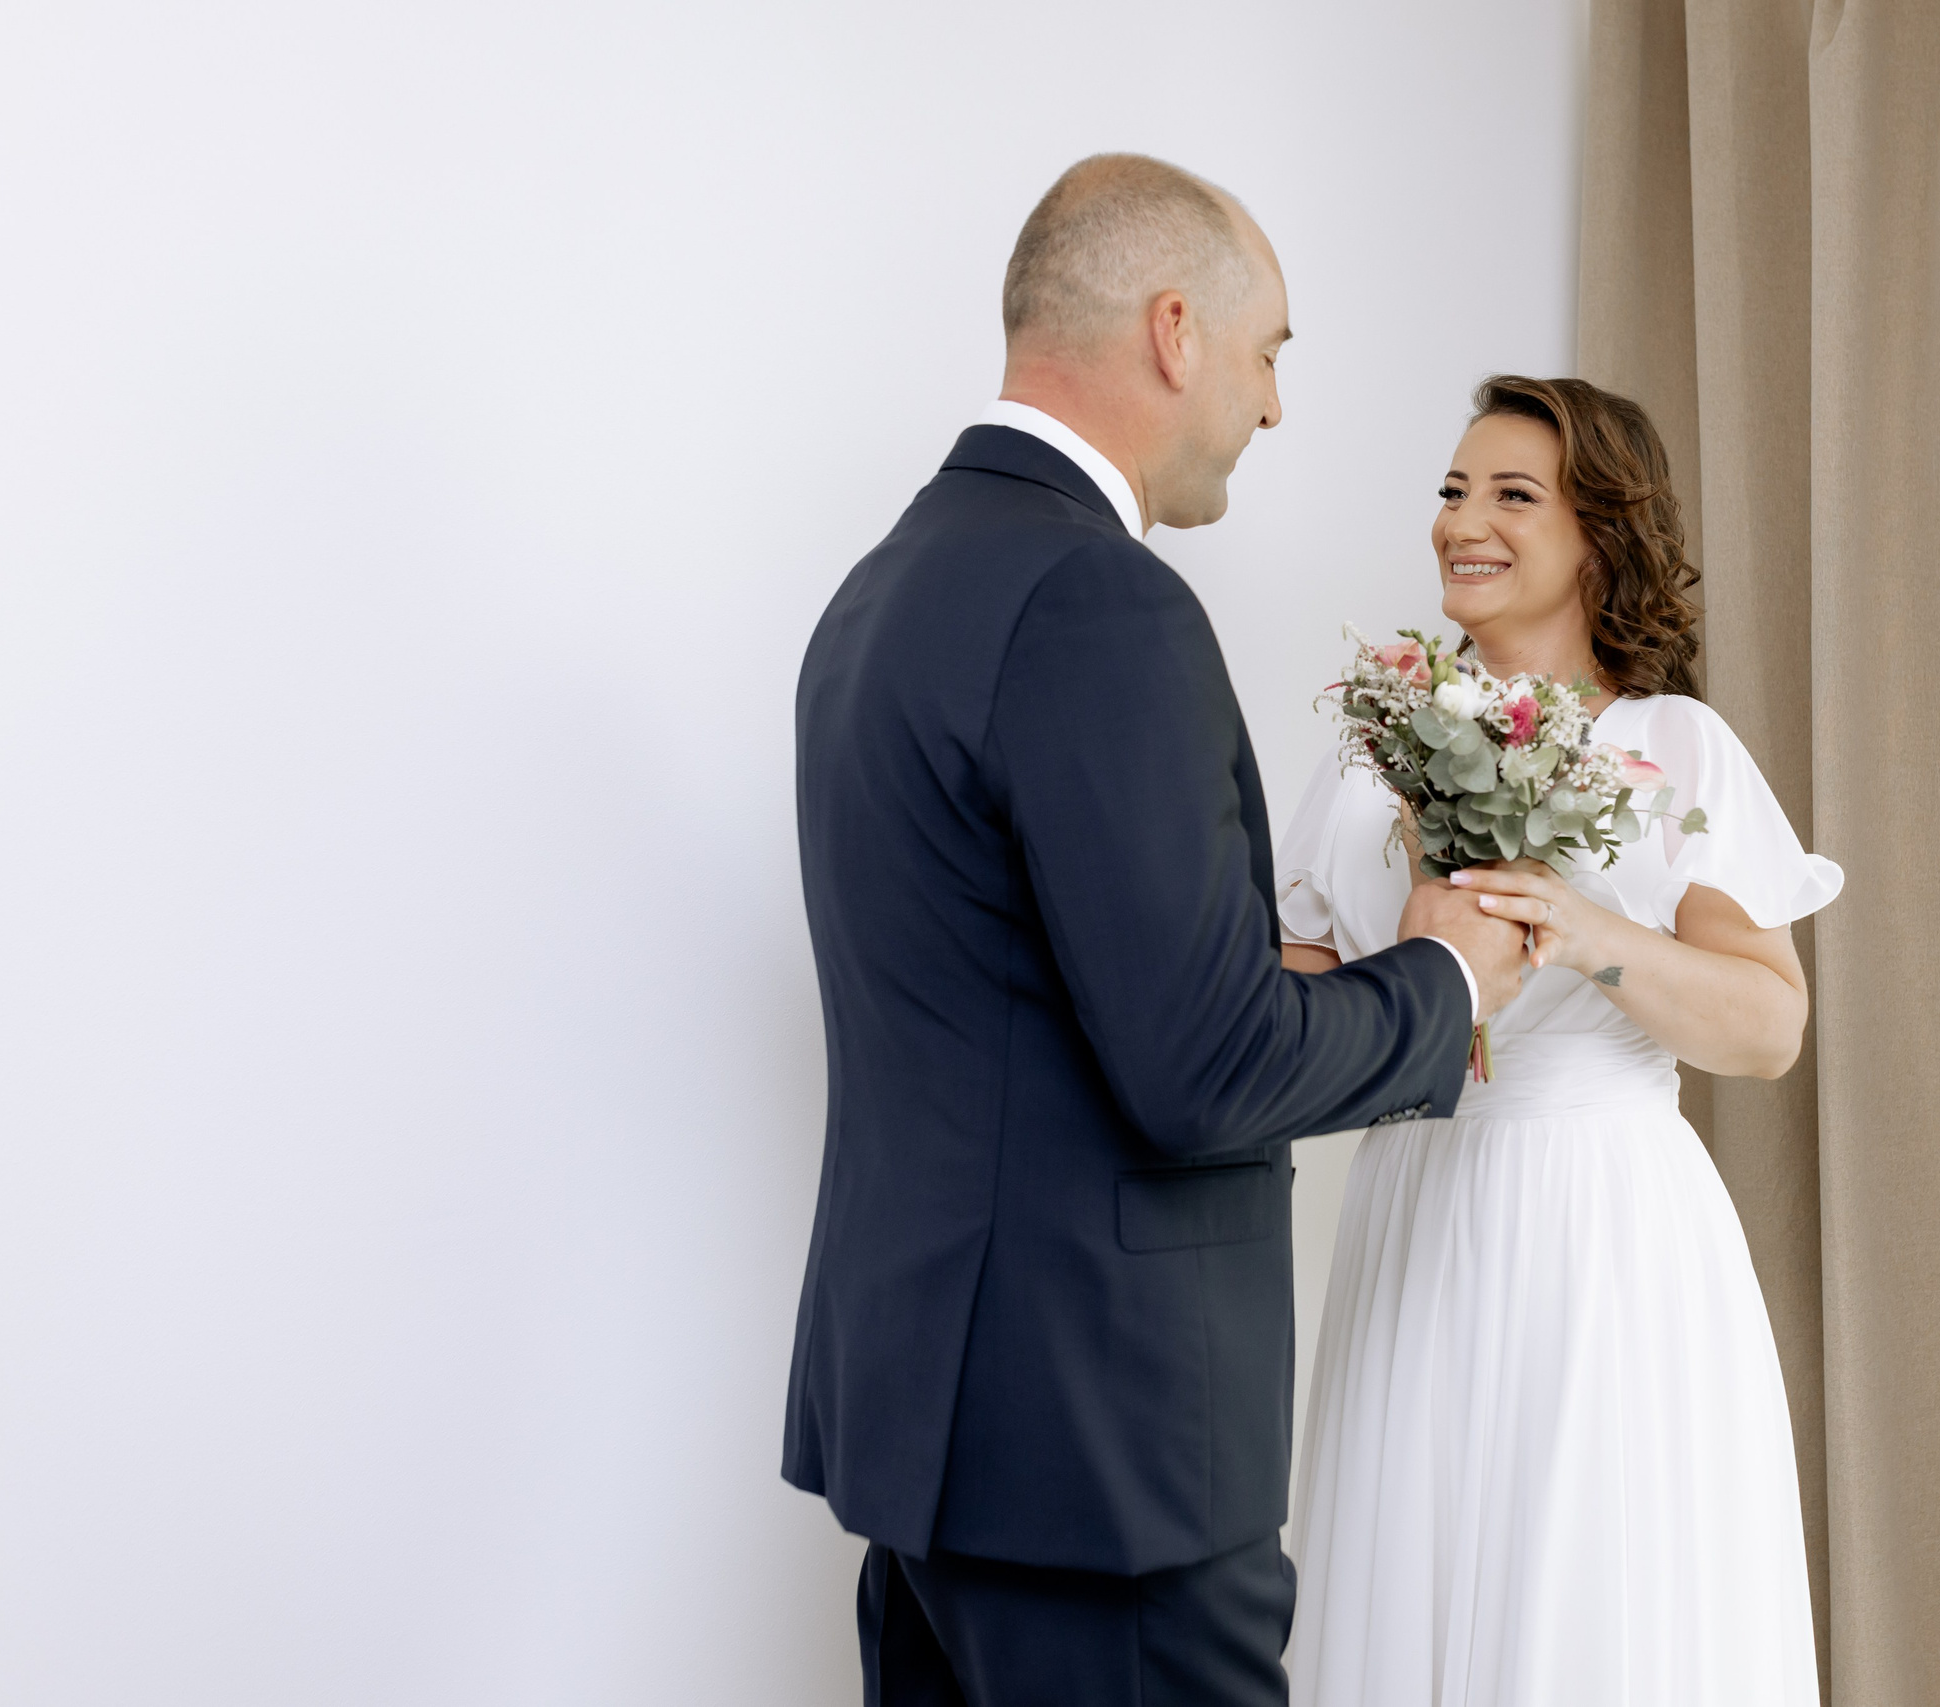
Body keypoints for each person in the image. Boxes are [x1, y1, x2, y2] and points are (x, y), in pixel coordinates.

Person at [781, 155, 1530, 1706]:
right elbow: (1202, 1071)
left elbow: (1031, 992)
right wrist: (1446, 976)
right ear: (1175, 332)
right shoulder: (1096, 600)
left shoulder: (881, 592)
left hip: (931, 1434)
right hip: (1100, 1460)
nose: (1274, 408)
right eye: (1268, 355)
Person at [1280, 376, 1841, 1704]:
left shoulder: (1675, 746)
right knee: (1414, 1578)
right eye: (1452, 491)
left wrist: (1589, 932)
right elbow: (1287, 1007)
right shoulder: (1368, 756)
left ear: (1600, 535)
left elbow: (1769, 1026)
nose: (1462, 522)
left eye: (1512, 495)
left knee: (1590, 1592)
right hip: (1415, 1215)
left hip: (1604, 1231)